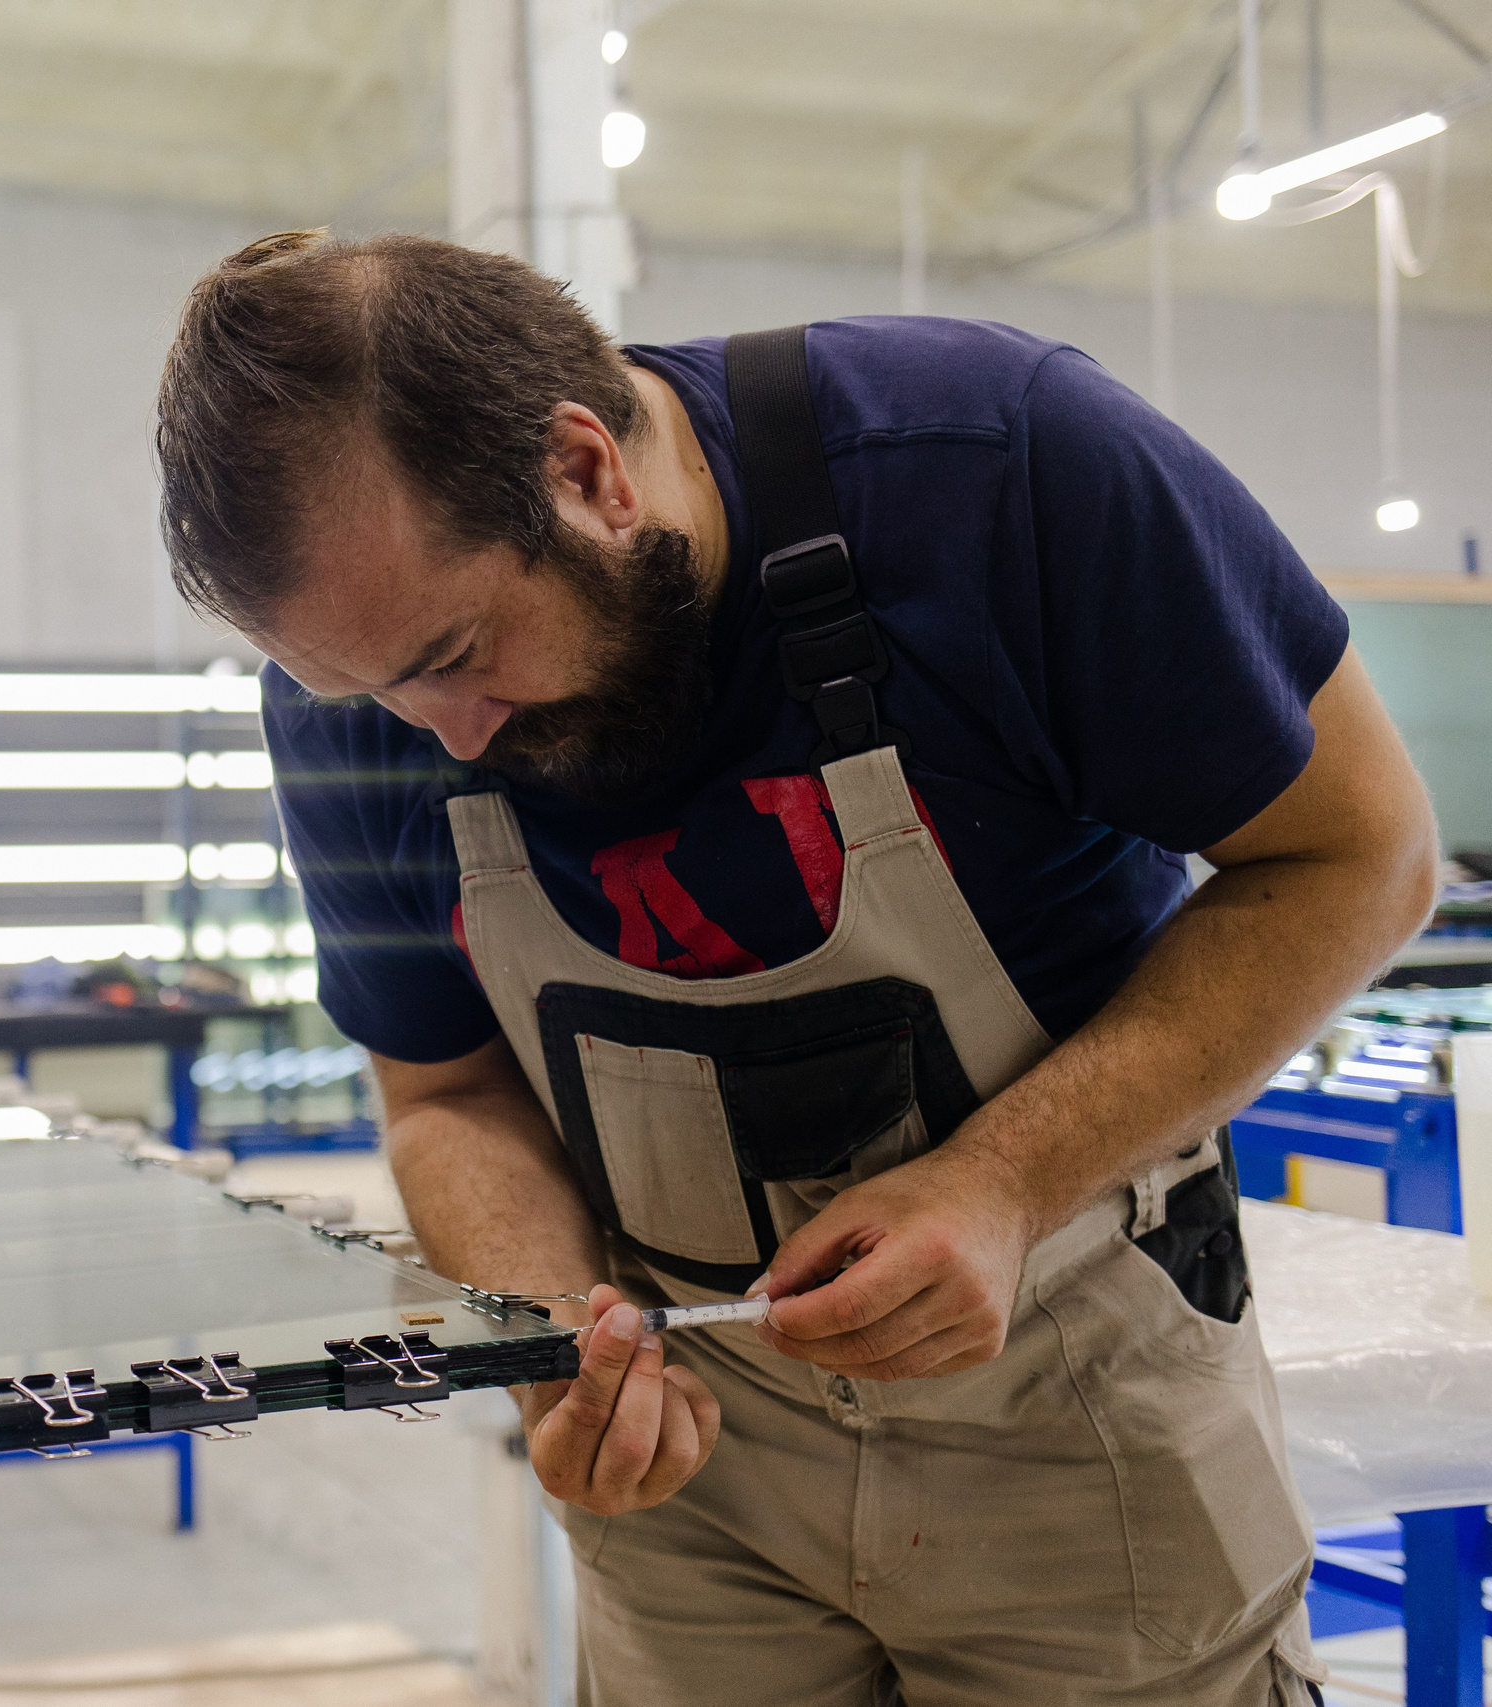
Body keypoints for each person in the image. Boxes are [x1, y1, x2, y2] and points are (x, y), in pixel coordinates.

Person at [154, 230, 1439, 1704]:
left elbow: (1362, 856)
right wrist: (546, 1330)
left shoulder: (996, 470)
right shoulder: (358, 692)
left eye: (453, 652)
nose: (439, 734)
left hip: (1072, 1396)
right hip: (688, 1463)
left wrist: (1003, 1181)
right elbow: (442, 1090)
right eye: (368, 693)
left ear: (586, 472)